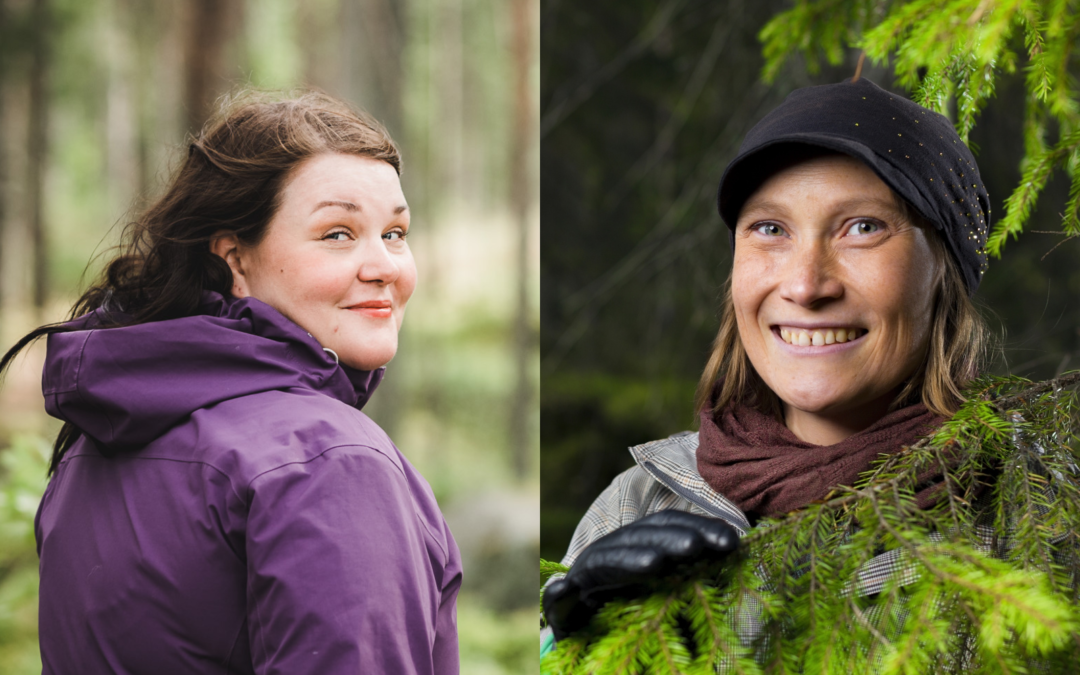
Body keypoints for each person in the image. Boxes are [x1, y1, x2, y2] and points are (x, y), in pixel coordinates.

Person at [1, 91, 462, 674]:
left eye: (395, 233)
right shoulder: (328, 459)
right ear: (235, 260)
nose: (385, 267)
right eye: (337, 234)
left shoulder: (91, 446)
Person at [541, 77, 992, 650]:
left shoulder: (1043, 510)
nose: (805, 285)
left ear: (945, 271)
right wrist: (571, 647)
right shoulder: (642, 498)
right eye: (770, 229)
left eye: (863, 227)